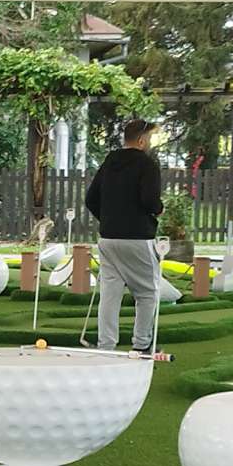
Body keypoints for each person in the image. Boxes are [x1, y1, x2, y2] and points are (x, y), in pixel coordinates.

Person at [85, 117, 165, 355]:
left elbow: (90, 199)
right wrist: (159, 209)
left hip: (108, 238)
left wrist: (109, 220)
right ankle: (141, 344)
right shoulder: (147, 165)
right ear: (141, 141)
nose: (150, 143)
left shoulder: (109, 162)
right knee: (147, 292)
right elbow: (149, 200)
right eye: (149, 138)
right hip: (138, 238)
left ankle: (106, 346)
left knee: (110, 294)